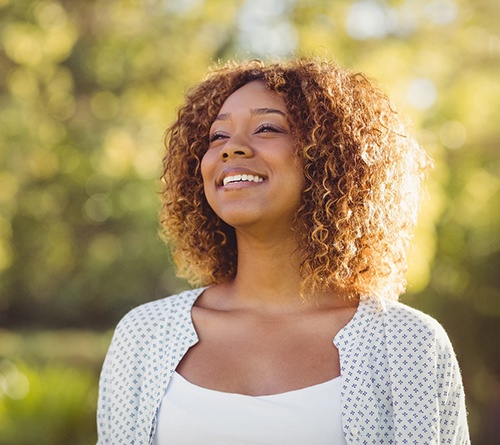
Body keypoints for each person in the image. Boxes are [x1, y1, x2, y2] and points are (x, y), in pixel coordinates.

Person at [96, 58, 470, 444]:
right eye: (217, 136)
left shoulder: (406, 344)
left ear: (328, 155)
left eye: (267, 128)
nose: (232, 149)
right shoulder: (144, 336)